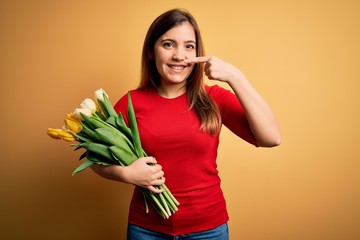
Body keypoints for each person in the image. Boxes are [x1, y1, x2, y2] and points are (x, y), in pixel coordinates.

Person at [91, 8, 281, 240]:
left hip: (208, 229)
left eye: (189, 46)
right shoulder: (132, 102)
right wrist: (126, 173)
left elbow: (271, 138)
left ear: (197, 52)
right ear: (152, 51)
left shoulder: (213, 98)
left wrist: (235, 76)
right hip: (146, 230)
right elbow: (93, 156)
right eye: (168, 44)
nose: (180, 56)